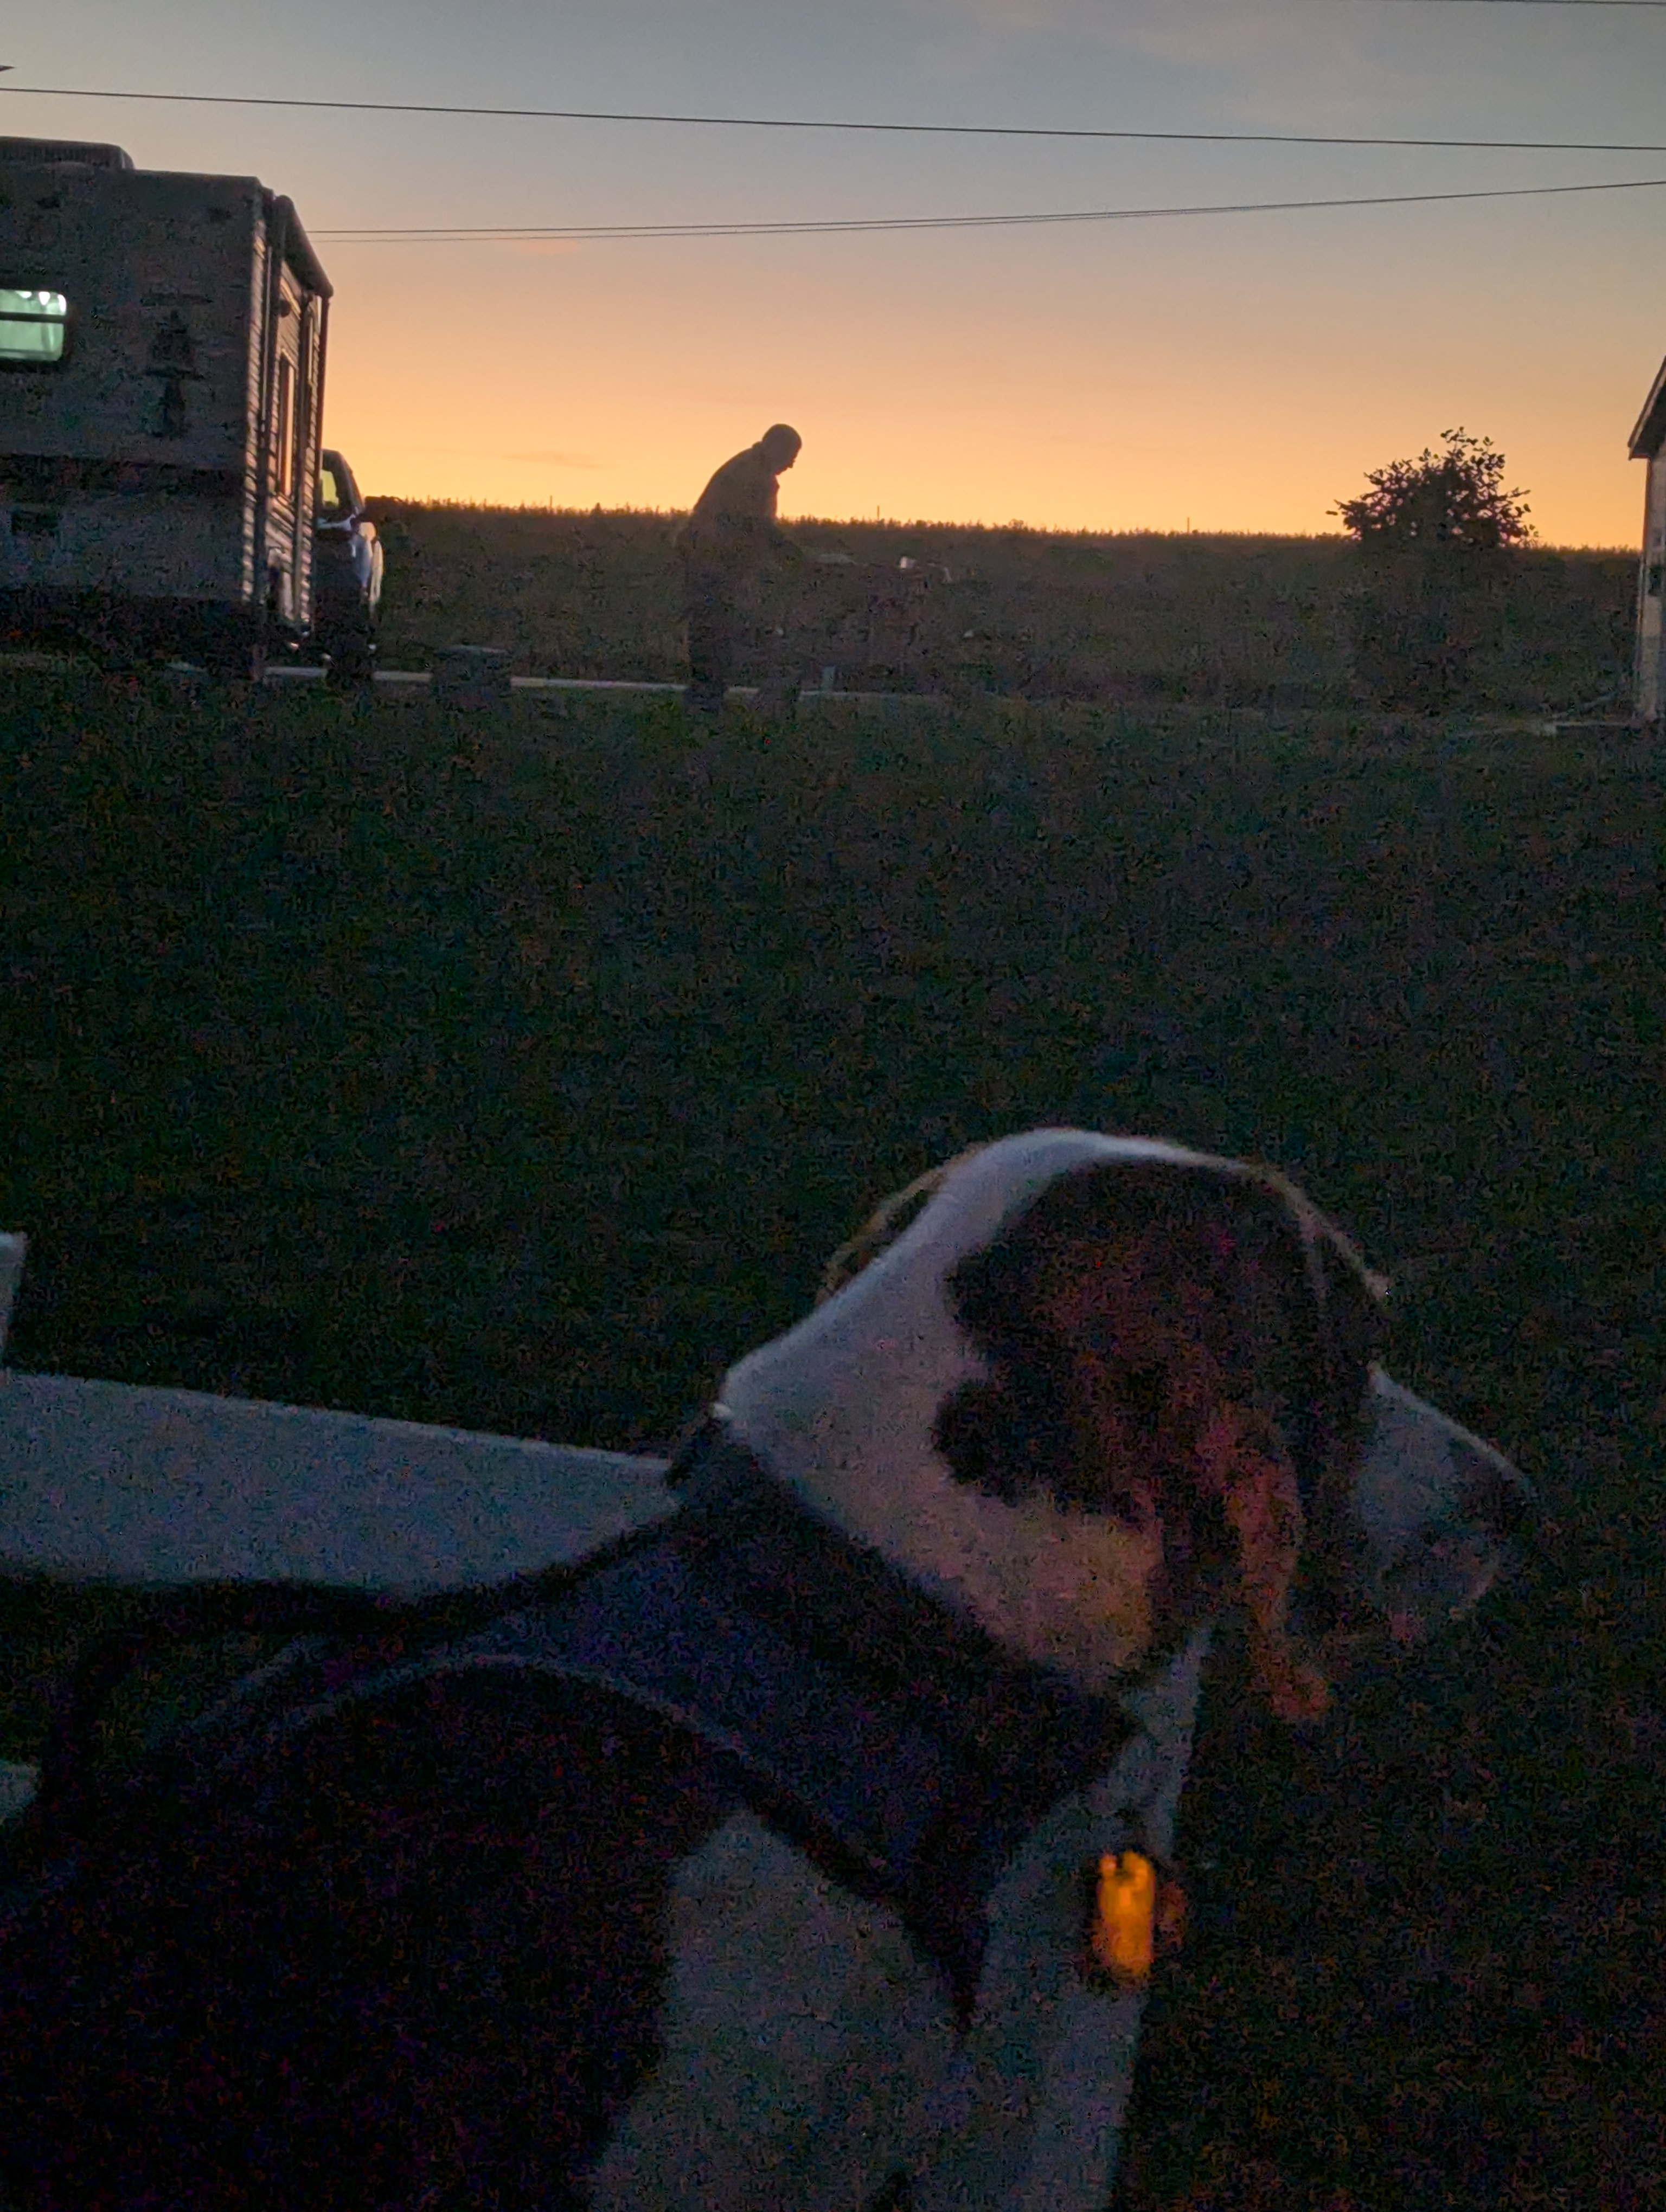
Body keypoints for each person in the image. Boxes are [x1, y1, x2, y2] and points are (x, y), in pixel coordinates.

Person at [676, 423, 805, 716]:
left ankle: (705, 701)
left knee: (713, 633)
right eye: (791, 456)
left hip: (710, 563)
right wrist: (793, 556)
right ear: (776, 448)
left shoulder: (747, 469)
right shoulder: (754, 477)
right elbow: (757, 526)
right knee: (715, 634)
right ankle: (705, 703)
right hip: (713, 565)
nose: (791, 465)